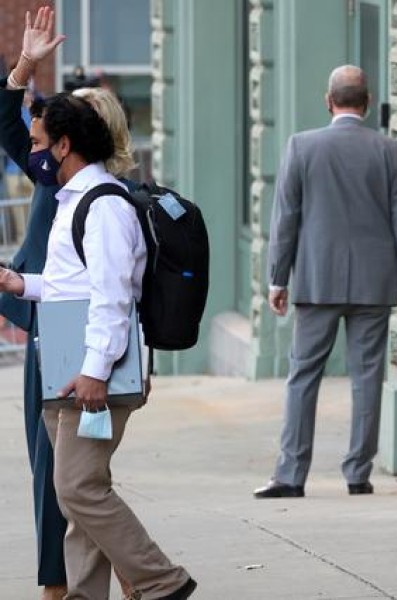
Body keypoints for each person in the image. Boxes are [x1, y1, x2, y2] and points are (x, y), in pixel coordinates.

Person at [0, 93, 197, 600]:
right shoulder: (74, 200)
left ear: (65, 145)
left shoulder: (104, 205)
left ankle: (160, 580)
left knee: (78, 488)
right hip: (68, 369)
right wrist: (22, 285)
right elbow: (75, 286)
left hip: (92, 375)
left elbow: (112, 298)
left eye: (41, 142)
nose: (34, 153)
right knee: (78, 499)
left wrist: (94, 372)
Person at [255, 65, 397, 499]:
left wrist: (277, 278)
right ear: (366, 104)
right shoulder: (391, 150)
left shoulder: (301, 146)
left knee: (303, 375)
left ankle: (291, 475)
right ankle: (357, 473)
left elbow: (286, 219)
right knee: (367, 377)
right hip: (376, 281)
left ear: (329, 102)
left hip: (316, 279)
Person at [0, 8, 67, 599]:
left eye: (43, 135)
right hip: (50, 325)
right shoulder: (54, 174)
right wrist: (22, 67)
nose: (33, 145)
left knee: (62, 469)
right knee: (66, 468)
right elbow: (6, 123)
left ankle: (60, 583)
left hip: (69, 337)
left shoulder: (94, 189)